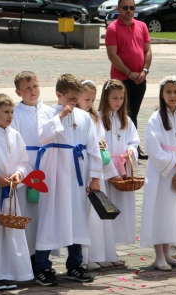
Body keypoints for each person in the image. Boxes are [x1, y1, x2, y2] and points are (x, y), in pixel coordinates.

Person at [34, 74, 102, 286]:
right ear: (59, 94)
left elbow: (93, 147)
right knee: (51, 217)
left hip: (77, 173)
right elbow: (43, 136)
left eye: (77, 98)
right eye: (70, 98)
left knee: (77, 218)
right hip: (55, 172)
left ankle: (75, 265)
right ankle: (42, 267)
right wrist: (61, 115)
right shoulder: (46, 112)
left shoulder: (84, 116)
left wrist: (95, 176)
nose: (74, 102)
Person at [0, 94, 33, 292]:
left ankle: (3, 273)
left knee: (7, 233)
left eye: (12, 112)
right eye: (6, 112)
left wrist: (19, 174)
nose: (10, 116)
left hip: (8, 191)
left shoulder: (15, 134)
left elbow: (23, 160)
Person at [141, 76, 176, 271]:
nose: (172, 95)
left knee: (174, 213)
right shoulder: (155, 119)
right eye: (168, 92)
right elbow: (152, 148)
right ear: (162, 95)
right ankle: (158, 255)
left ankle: (168, 253)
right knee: (160, 212)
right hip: (161, 173)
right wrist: (172, 161)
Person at [11, 71, 52, 269]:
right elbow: (15, 144)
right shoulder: (16, 114)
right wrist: (27, 171)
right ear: (18, 92)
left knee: (45, 214)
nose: (32, 91)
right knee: (28, 213)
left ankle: (43, 256)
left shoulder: (49, 111)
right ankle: (27, 258)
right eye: (27, 88)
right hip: (27, 168)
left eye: (35, 86)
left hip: (48, 166)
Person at [77, 80, 118, 270]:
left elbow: (100, 139)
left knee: (96, 213)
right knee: (85, 213)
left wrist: (102, 147)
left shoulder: (94, 118)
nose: (90, 103)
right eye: (86, 99)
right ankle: (84, 257)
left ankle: (99, 253)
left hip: (95, 167)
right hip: (82, 167)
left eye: (93, 99)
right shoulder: (75, 117)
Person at [105, 0, 152, 160]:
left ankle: (133, 147)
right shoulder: (112, 29)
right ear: (118, 9)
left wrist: (144, 71)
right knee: (124, 113)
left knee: (134, 113)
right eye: (125, 8)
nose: (128, 11)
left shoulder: (142, 26)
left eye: (131, 7)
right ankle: (123, 148)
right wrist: (129, 73)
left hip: (140, 79)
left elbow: (147, 51)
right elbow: (113, 56)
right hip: (121, 80)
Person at [98, 80, 140, 266]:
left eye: (122, 98)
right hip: (107, 174)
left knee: (118, 213)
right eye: (114, 98)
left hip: (122, 173)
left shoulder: (126, 120)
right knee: (104, 213)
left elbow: (134, 141)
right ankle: (103, 253)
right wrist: (110, 170)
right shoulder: (98, 118)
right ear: (105, 97)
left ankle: (112, 252)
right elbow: (98, 146)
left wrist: (131, 150)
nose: (118, 102)